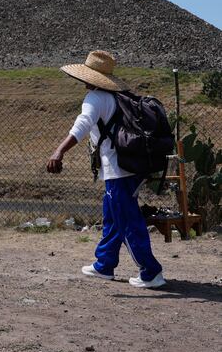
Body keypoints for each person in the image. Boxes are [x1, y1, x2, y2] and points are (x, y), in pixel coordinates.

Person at [46, 50, 165, 289]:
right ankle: (105, 264)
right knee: (112, 215)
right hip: (128, 166)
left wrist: (59, 150)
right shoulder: (118, 97)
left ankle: (151, 271)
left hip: (119, 170)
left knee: (127, 219)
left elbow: (83, 124)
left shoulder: (95, 98)